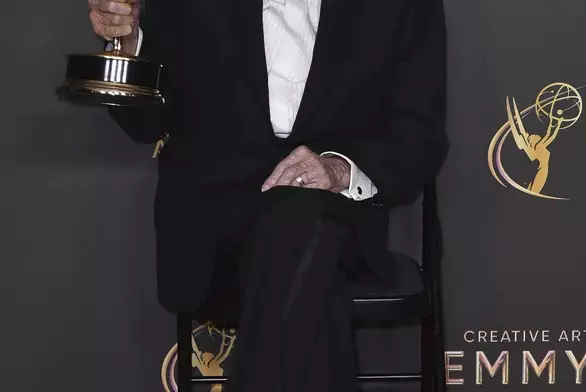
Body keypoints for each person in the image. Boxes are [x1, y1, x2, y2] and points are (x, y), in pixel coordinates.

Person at [88, 0, 447, 390]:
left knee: (299, 221)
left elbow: (419, 134)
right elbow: (147, 122)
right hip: (216, 226)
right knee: (306, 267)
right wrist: (126, 43)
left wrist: (338, 169)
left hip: (336, 218)